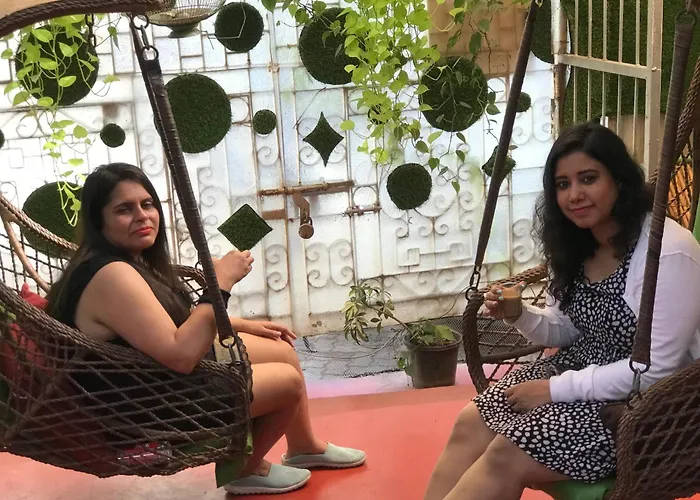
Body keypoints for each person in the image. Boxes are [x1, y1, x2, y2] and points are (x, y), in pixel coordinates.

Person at [46, 162, 365, 496]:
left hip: (152, 376)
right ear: (99, 220)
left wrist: (243, 324)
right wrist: (220, 284)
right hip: (146, 404)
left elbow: (165, 323)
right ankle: (245, 469)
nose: (142, 216)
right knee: (288, 382)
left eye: (147, 204)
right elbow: (181, 355)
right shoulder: (110, 275)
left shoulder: (125, 261)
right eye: (124, 209)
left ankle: (304, 446)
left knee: (281, 350)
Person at [424, 121, 700, 500]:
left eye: (588, 179)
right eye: (563, 184)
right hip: (577, 372)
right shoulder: (577, 244)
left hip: (642, 407)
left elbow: (654, 370)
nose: (574, 195)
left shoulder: (668, 252)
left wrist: (555, 390)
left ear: (619, 180)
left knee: (507, 453)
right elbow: (565, 330)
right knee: (471, 422)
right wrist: (518, 314)